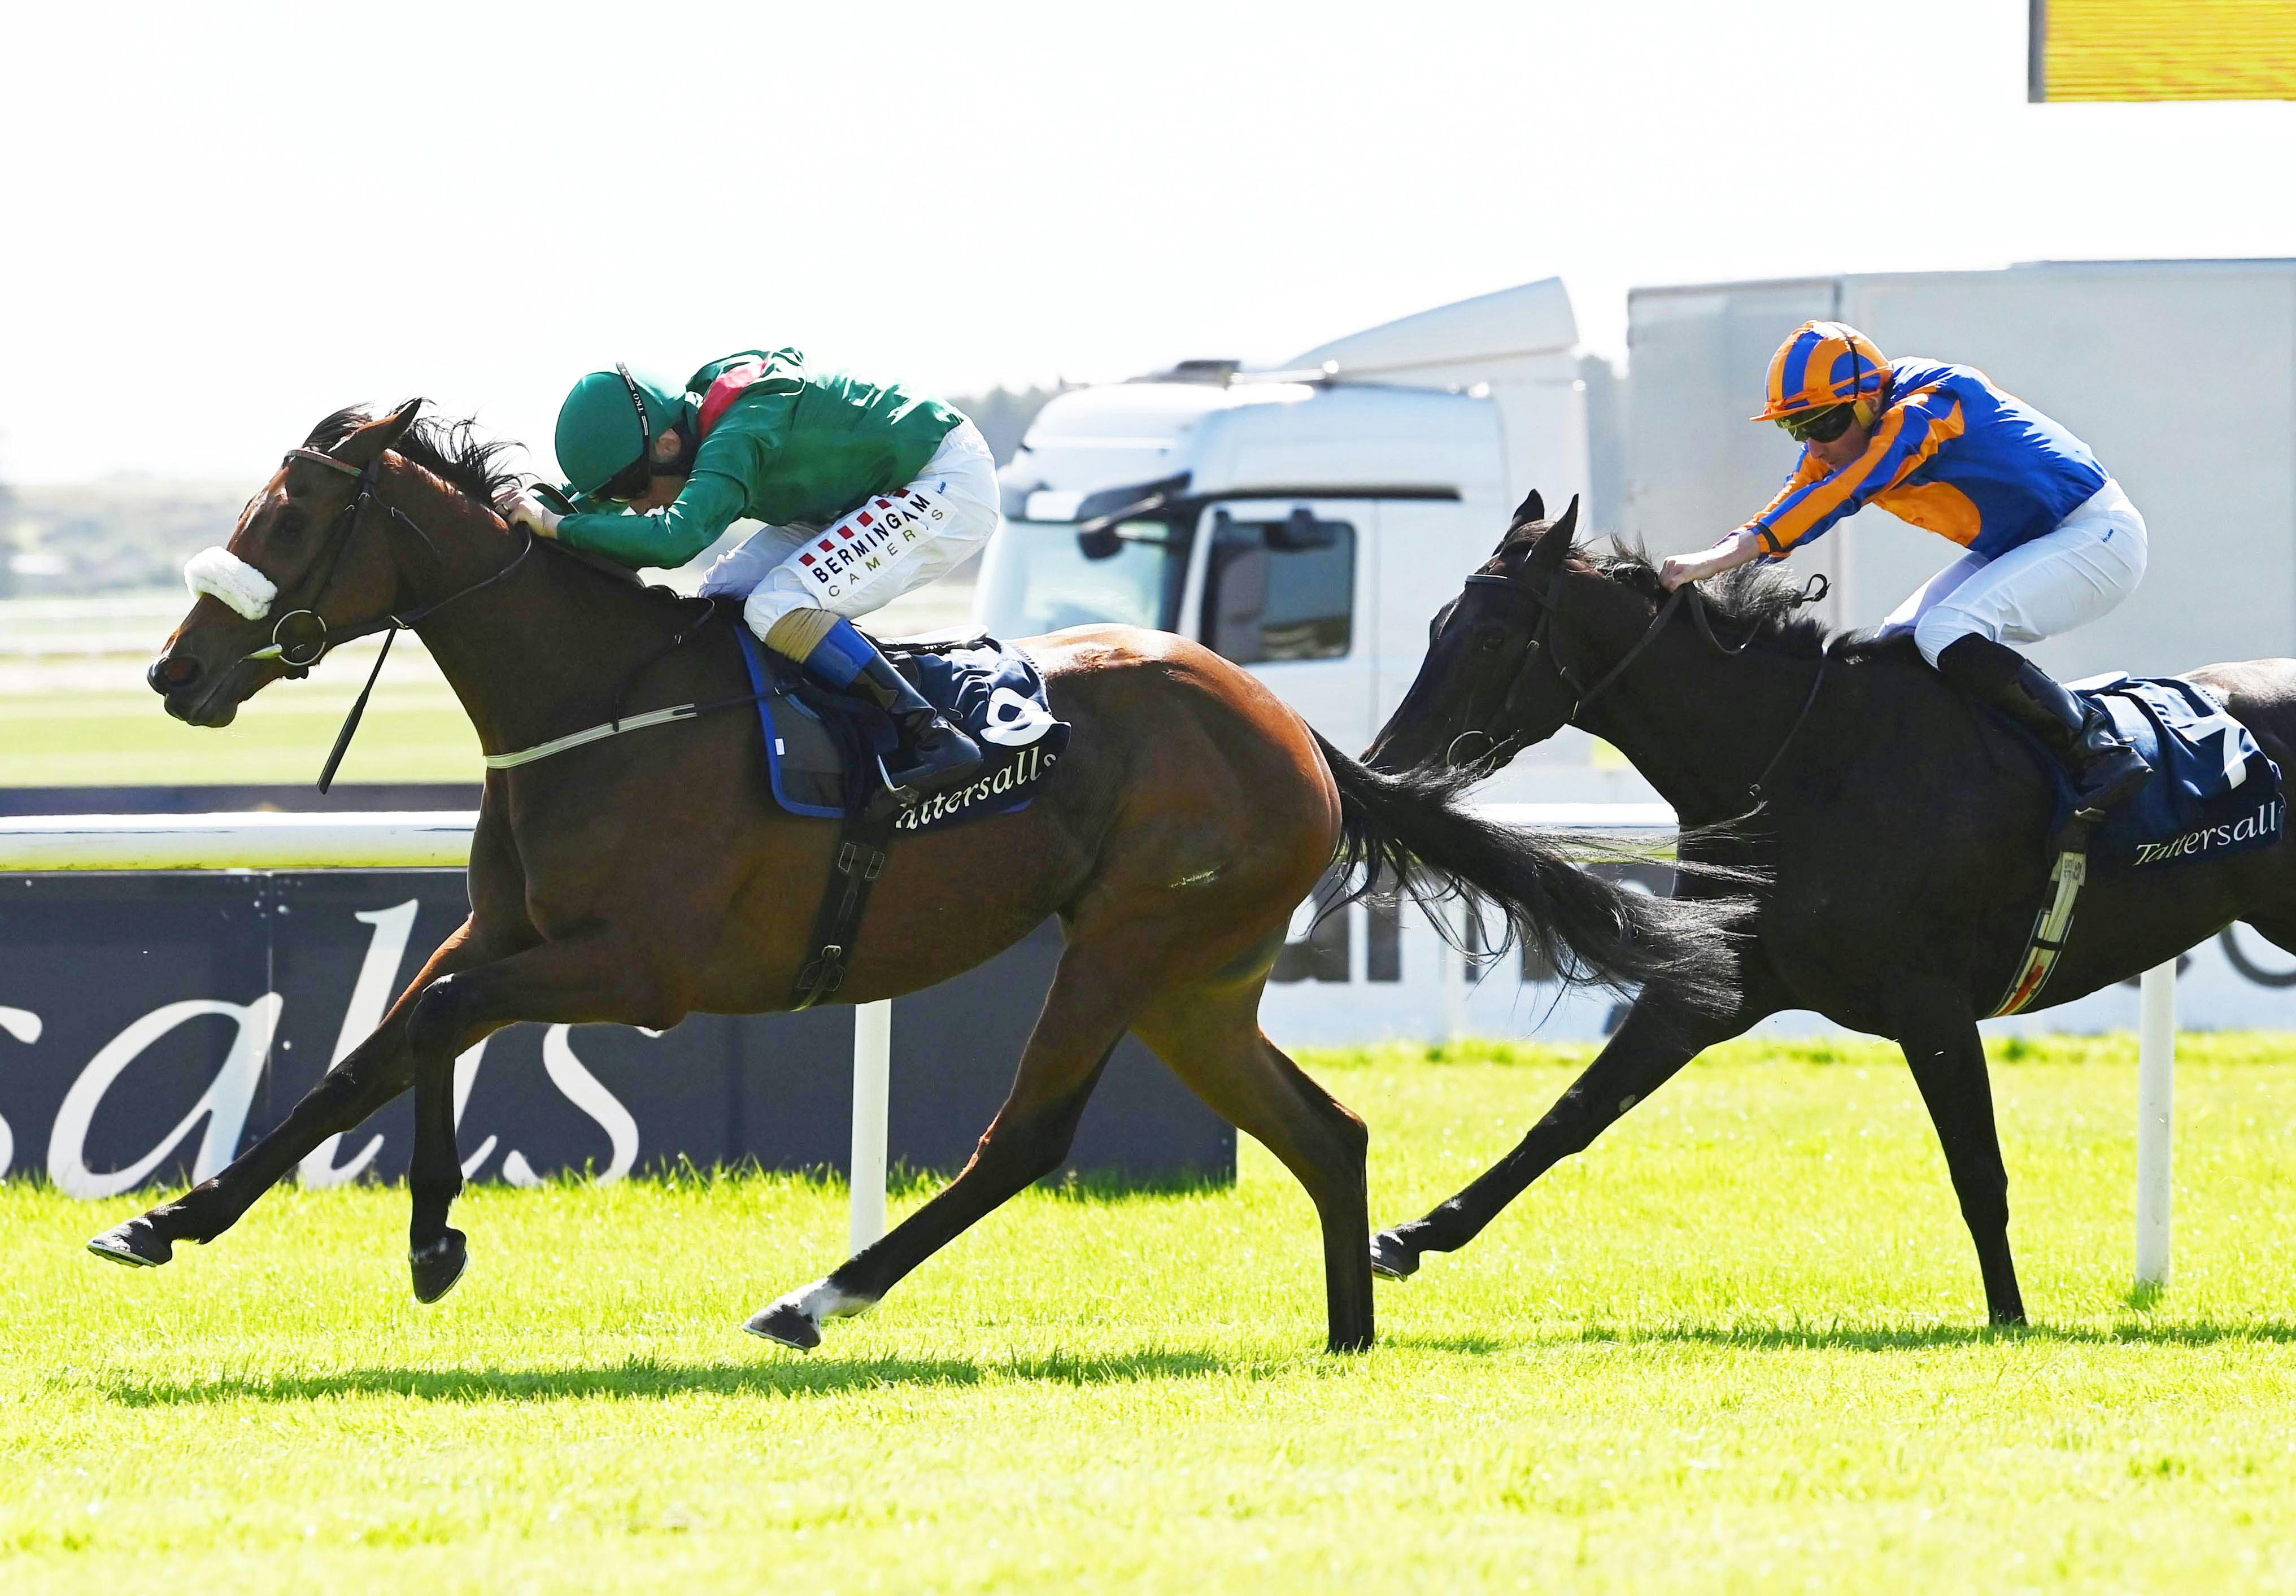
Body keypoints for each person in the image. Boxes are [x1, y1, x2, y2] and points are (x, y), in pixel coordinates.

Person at [1657, 320, 2150, 817]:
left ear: (1870, 399)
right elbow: (1794, 497)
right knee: (1892, 646)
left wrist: (1717, 560)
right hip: (2030, 541)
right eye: (1797, 429)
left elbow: (1840, 493)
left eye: (1824, 424)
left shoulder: (1931, 404)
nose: (1816, 446)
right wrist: (1715, 560)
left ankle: (2100, 751)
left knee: (1945, 631)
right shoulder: (1844, 432)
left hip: (2096, 538)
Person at [504, 350, 998, 797]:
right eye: (620, 494)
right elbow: (579, 502)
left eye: (633, 487)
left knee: (777, 606)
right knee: (720, 594)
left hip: (941, 480)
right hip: (853, 493)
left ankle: (932, 736)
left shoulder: (737, 434)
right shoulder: (688, 421)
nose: (637, 505)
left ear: (670, 444)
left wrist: (558, 528)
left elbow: (675, 540)